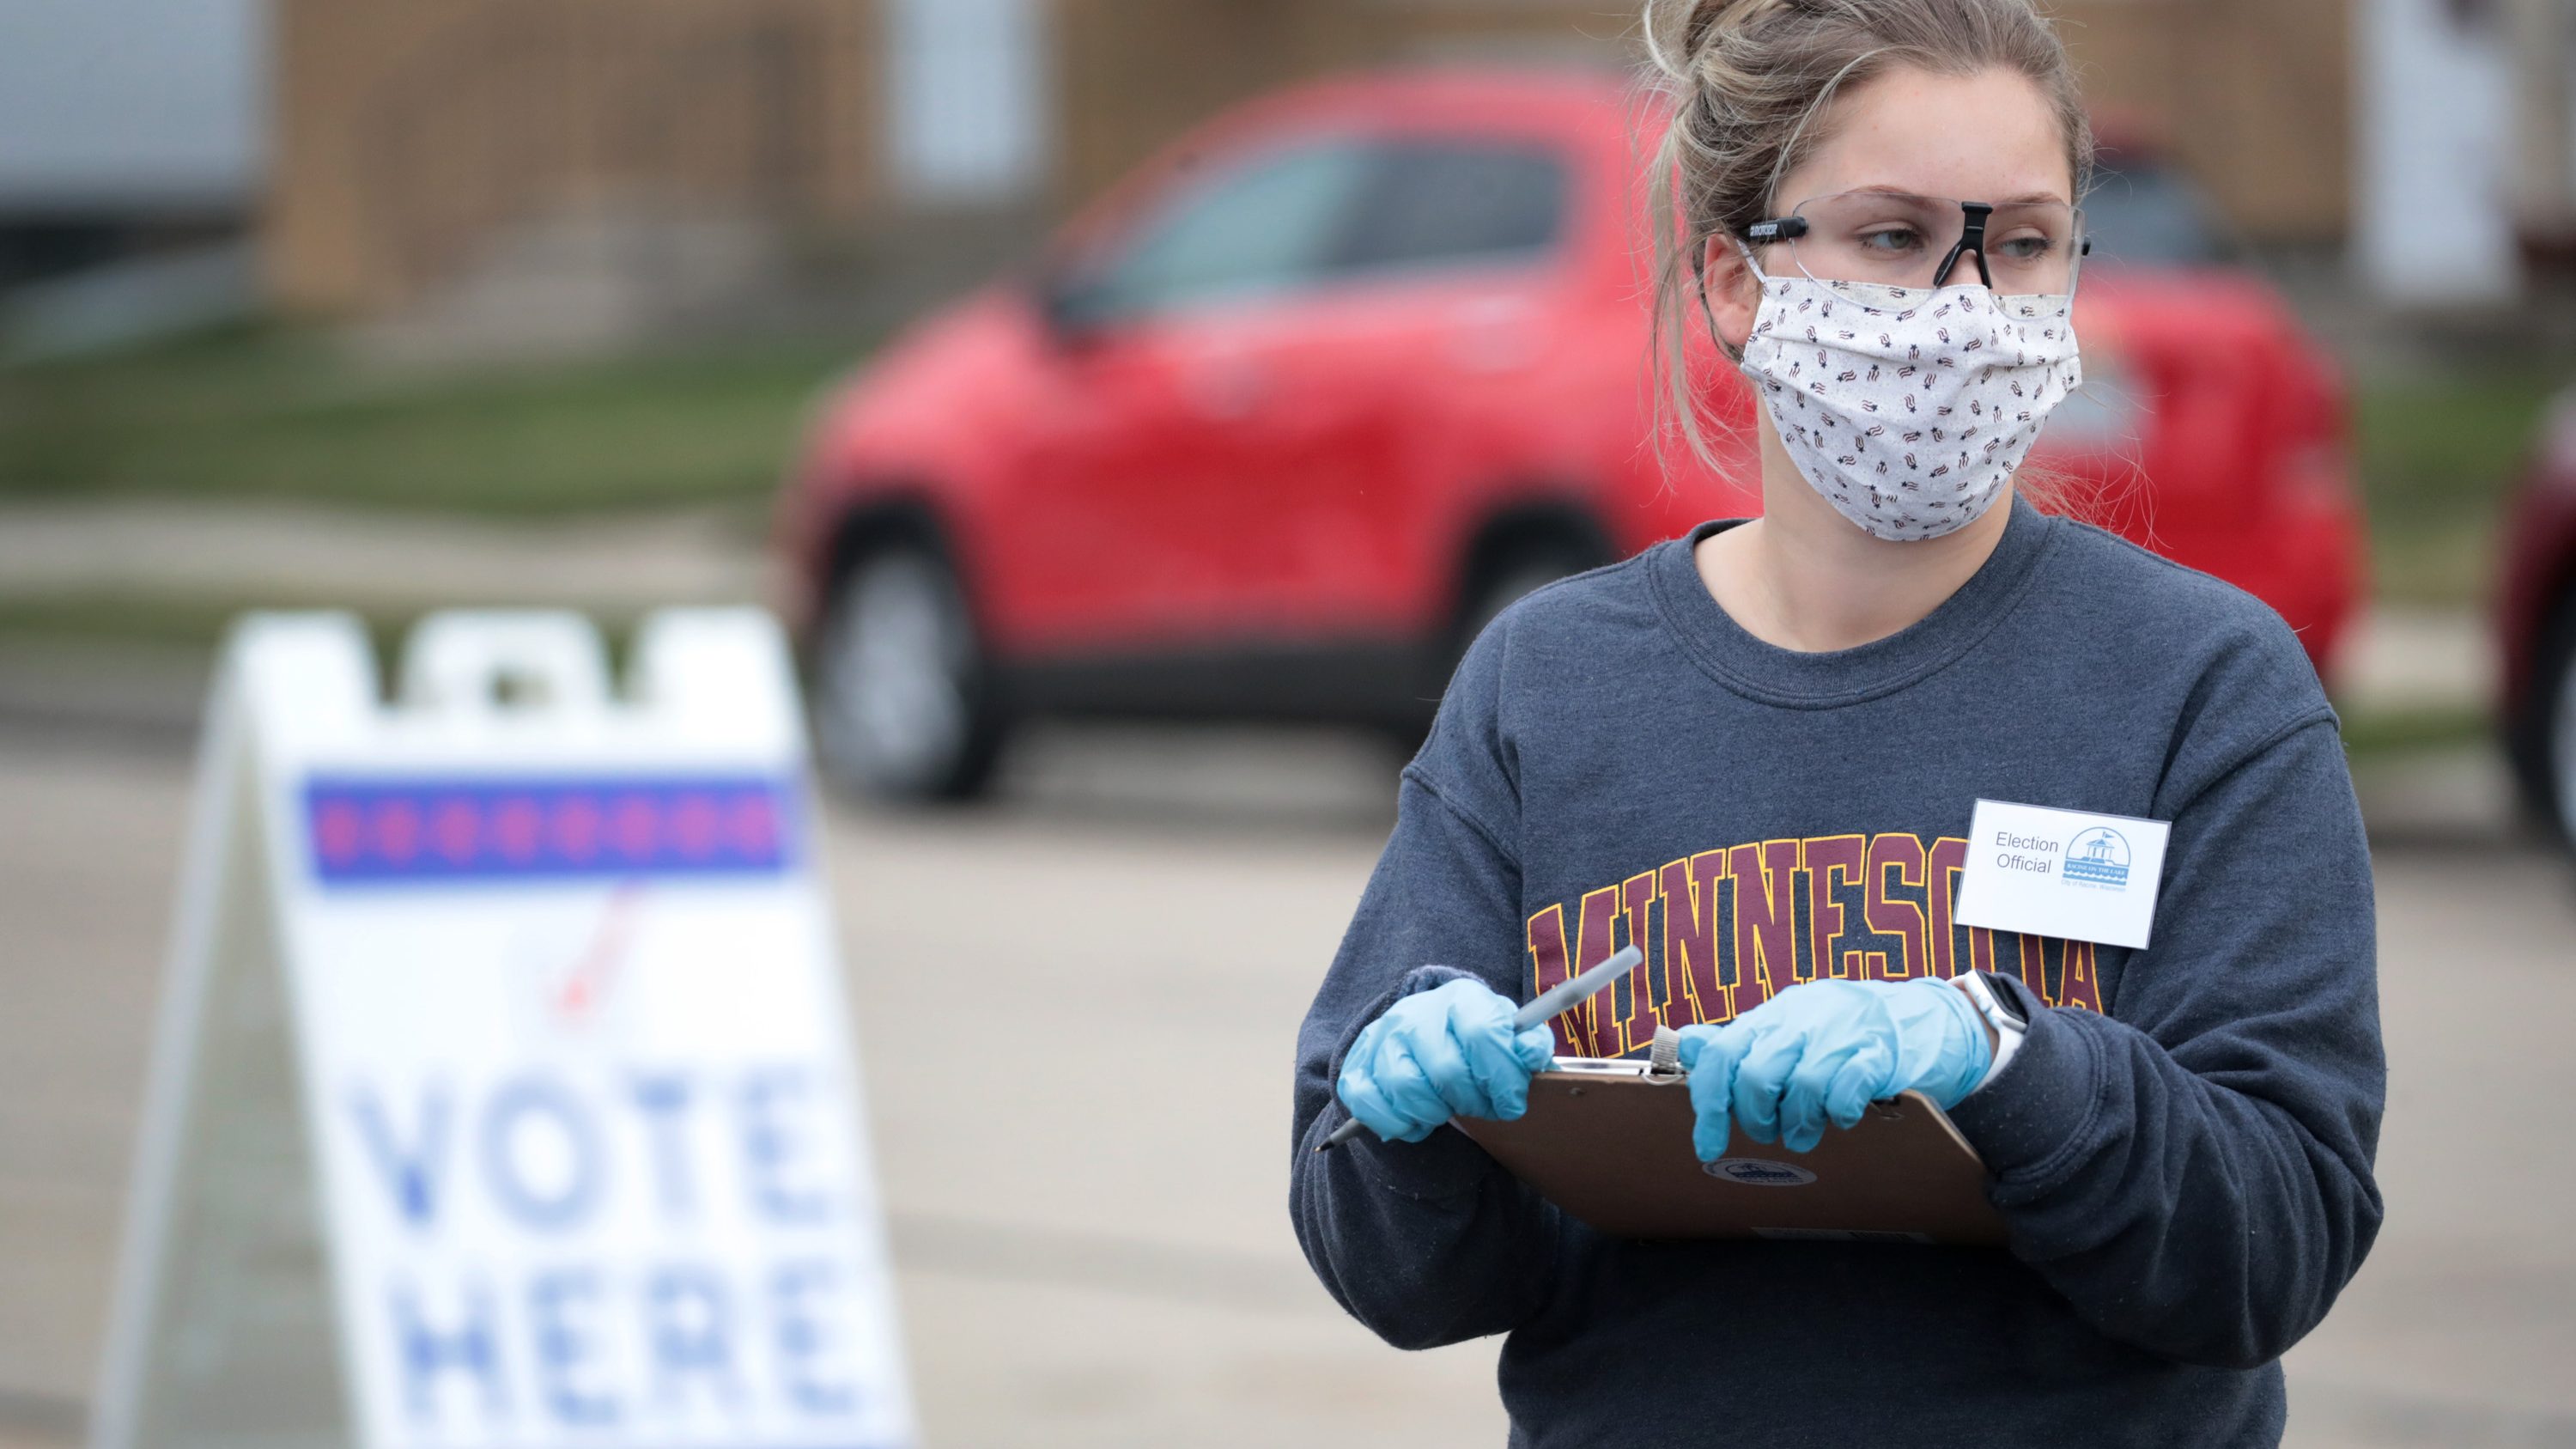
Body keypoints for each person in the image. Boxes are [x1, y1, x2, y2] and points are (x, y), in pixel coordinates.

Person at [1285, 1, 2385, 1444]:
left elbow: (2275, 1247)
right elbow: (1402, 1272)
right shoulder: (1546, 688)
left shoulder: (2204, 687)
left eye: (2028, 242)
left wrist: (2006, 1061)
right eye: (1892, 235)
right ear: (1734, 284)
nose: (1968, 304)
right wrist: (1418, 1125)